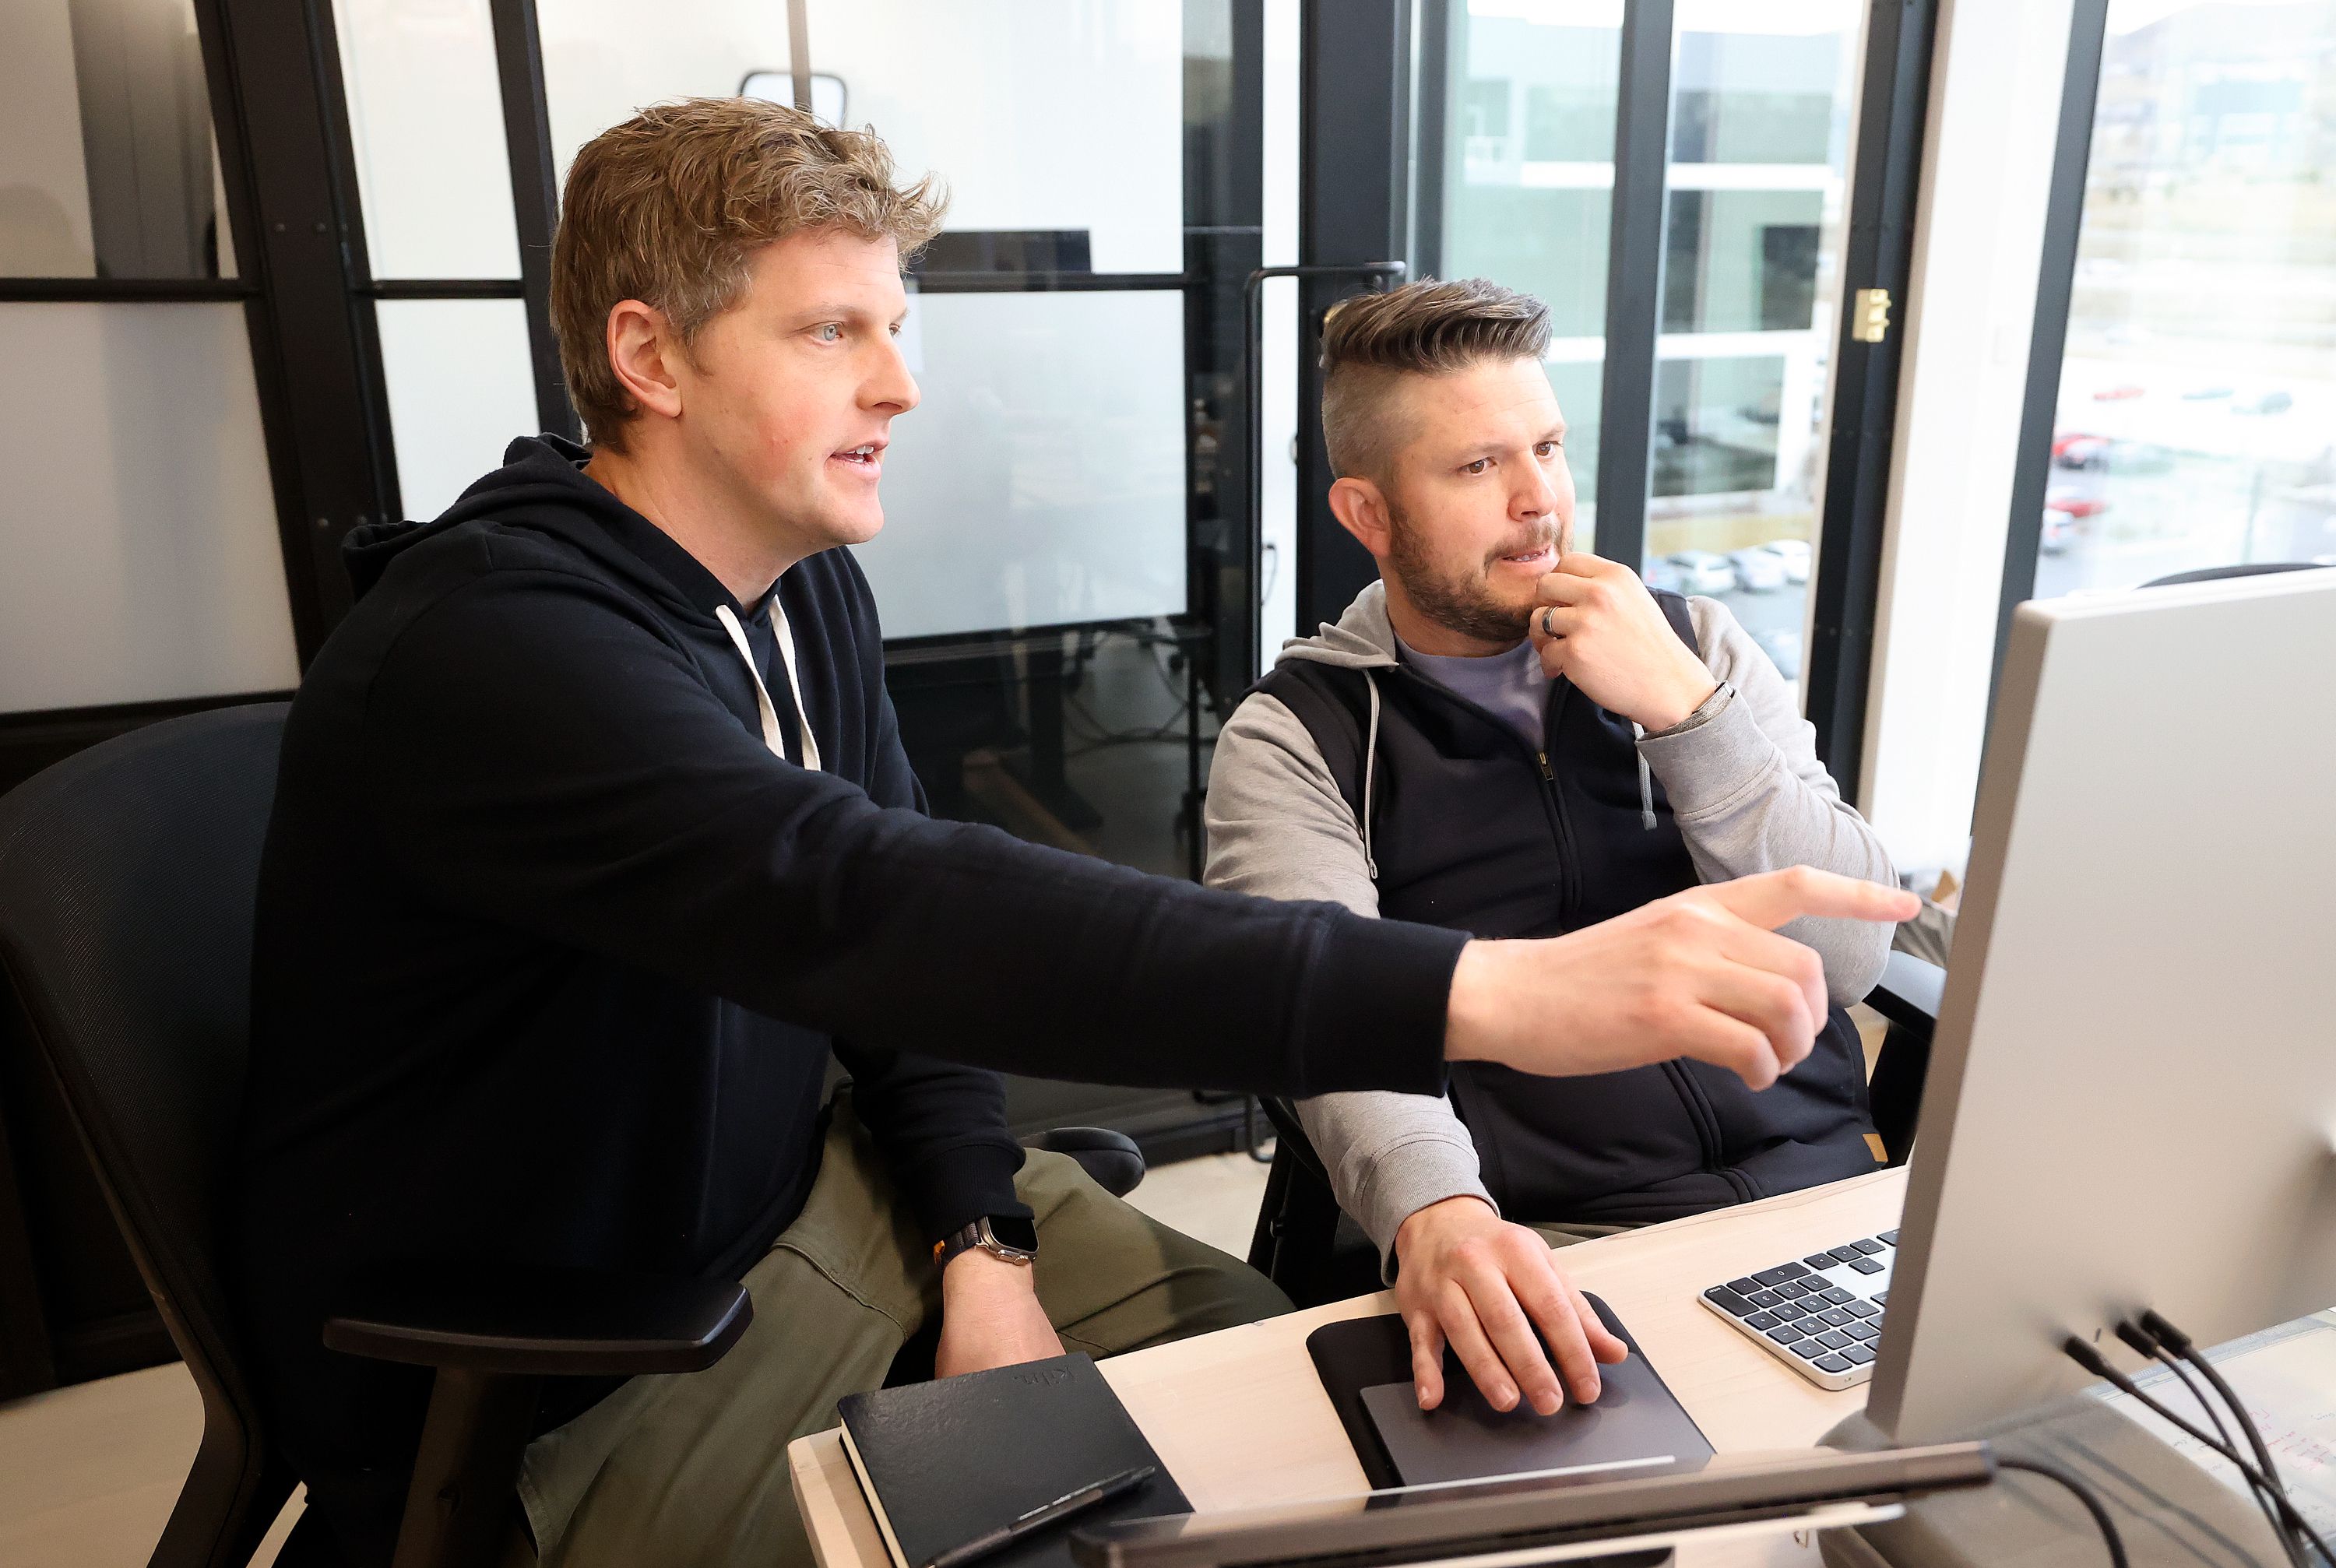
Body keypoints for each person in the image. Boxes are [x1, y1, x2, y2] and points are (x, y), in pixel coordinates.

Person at [230, 103, 1916, 1568]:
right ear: (651, 356)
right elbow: (872, 906)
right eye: (831, 333)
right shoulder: (496, 651)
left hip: (829, 1179)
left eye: (896, 327)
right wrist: (1491, 995)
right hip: (578, 1350)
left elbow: (900, 965)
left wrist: (981, 1236)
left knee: (1310, 1424)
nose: (899, 379)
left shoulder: (799, 585)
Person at [1205, 278, 1902, 1426]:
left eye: (1549, 447)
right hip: (1567, 1252)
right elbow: (1329, 1020)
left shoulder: (1694, 644)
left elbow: (1854, 954)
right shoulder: (1301, 738)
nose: (1540, 502)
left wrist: (1689, 714)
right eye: (1478, 468)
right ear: (1367, 514)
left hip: (1832, 1204)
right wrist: (1439, 1210)